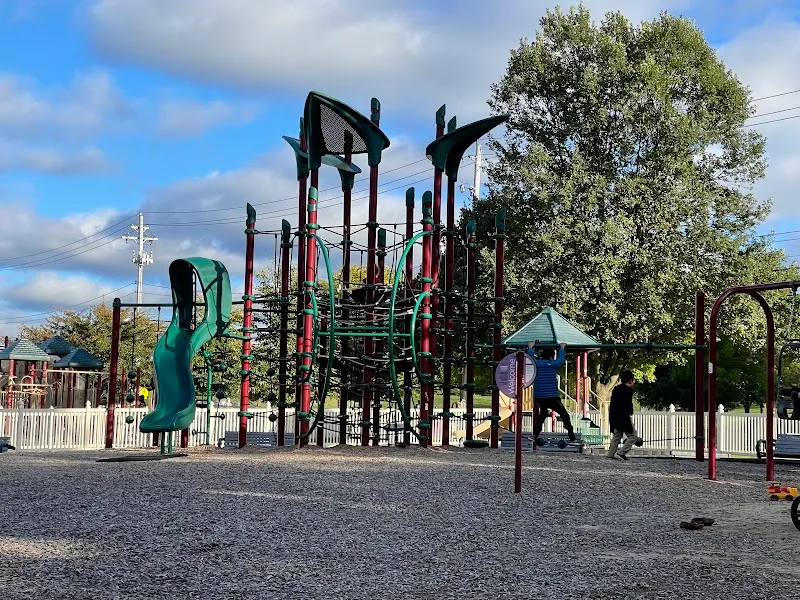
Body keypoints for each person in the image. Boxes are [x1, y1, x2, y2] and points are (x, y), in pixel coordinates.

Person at [527, 341, 574, 441]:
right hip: (551, 396)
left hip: (539, 396)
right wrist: (562, 348)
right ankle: (570, 432)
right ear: (552, 356)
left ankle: (535, 434)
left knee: (543, 413)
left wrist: (530, 348)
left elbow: (531, 358)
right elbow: (561, 359)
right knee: (564, 414)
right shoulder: (553, 364)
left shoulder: (537, 364)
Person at [607, 369, 638, 460]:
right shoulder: (628, 391)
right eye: (633, 381)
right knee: (633, 436)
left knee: (617, 436)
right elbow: (628, 404)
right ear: (630, 380)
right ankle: (622, 452)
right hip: (624, 417)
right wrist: (630, 413)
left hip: (614, 416)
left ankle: (611, 453)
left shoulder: (616, 389)